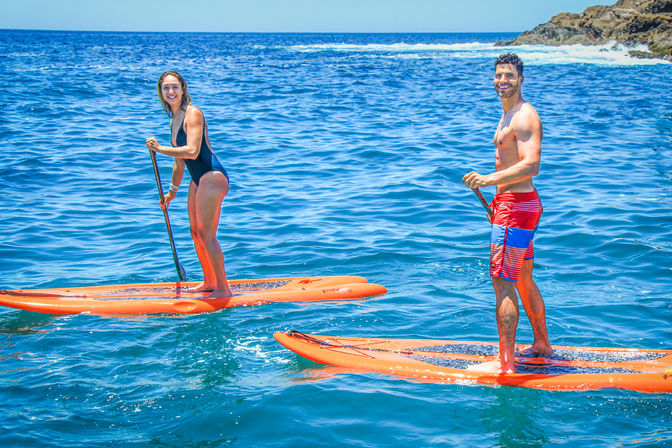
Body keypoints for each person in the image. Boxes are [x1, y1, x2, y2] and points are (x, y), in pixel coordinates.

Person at [462, 53, 552, 373]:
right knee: (524, 278)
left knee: (504, 284)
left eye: (509, 75)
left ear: (521, 79)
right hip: (513, 206)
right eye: (499, 75)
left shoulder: (525, 116)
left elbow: (531, 165)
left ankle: (506, 365)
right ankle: (541, 344)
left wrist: (489, 181)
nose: (503, 80)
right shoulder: (508, 114)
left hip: (516, 207)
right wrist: (497, 202)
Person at [146, 71, 232, 298]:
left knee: (207, 235)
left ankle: (223, 289)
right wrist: (171, 192)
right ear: (161, 92)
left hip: (212, 176)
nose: (171, 92)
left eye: (175, 87)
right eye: (166, 88)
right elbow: (179, 161)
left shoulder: (193, 114)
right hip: (197, 180)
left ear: (183, 88)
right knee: (195, 233)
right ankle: (209, 281)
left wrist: (160, 149)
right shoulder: (175, 119)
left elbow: (192, 152)